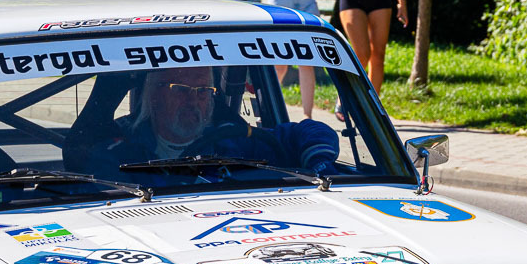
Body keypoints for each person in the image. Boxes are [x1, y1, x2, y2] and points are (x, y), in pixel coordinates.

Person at [80, 67, 339, 186]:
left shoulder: (233, 141)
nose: (194, 100)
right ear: (154, 95)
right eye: (181, 89)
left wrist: (321, 167)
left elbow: (311, 131)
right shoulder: (118, 154)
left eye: (203, 90)